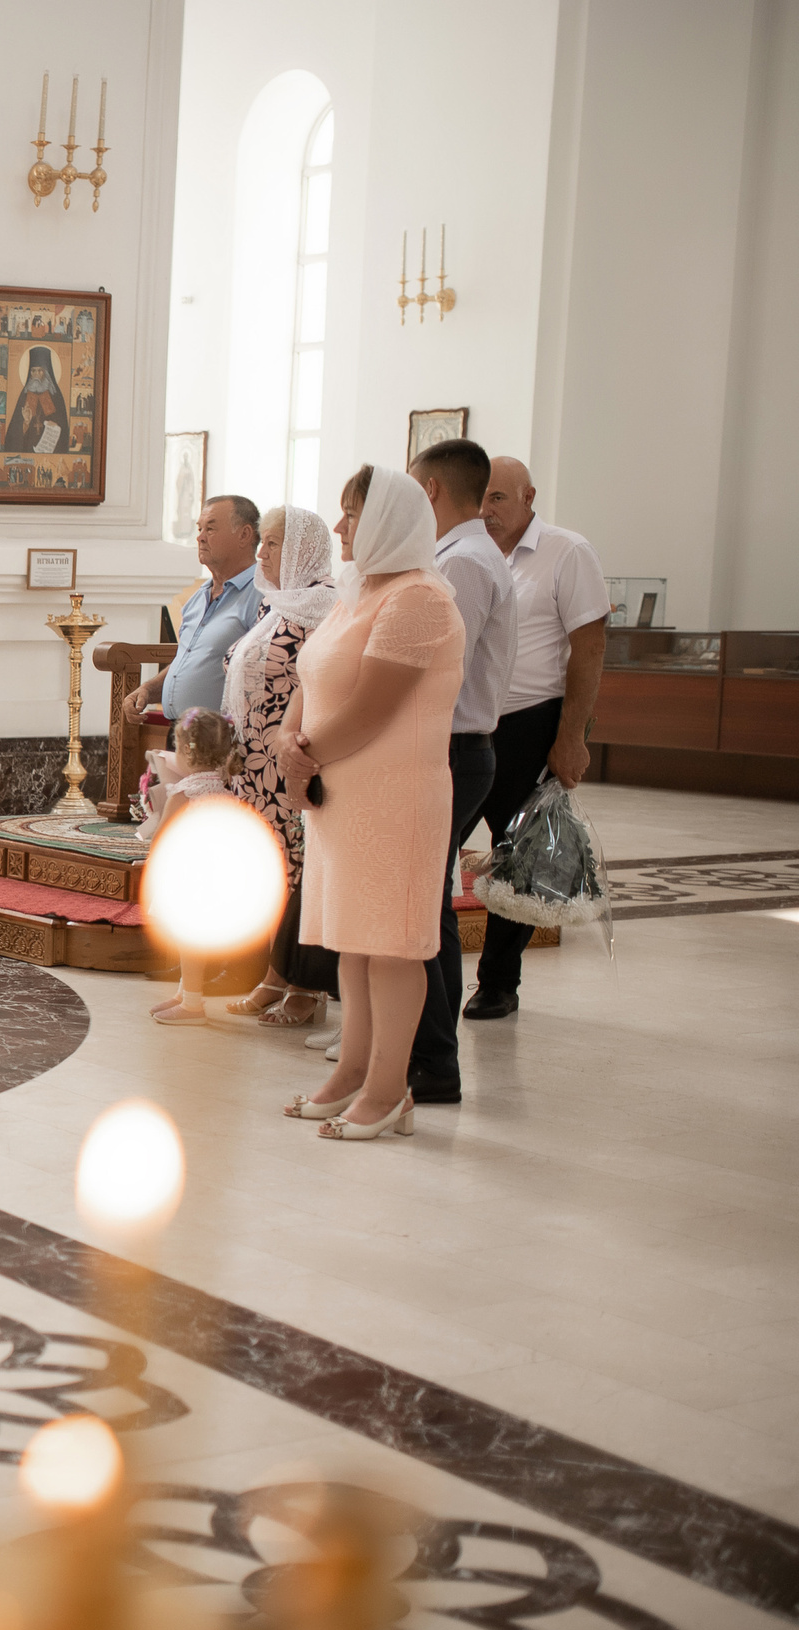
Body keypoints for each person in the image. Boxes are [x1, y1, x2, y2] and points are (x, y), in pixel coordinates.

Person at [276, 465, 467, 1142]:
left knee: (392, 946)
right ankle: (350, 1073)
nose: (339, 527)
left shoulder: (420, 601)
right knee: (353, 942)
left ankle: (390, 1091)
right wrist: (288, 739)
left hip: (394, 799)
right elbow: (311, 679)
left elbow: (371, 709)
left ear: (388, 520)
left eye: (352, 513)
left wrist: (302, 757)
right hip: (342, 794)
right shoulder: (359, 592)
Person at [466, 456, 608, 1021]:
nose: (486, 509)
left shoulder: (566, 552)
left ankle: (499, 983)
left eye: (498, 498)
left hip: (530, 722)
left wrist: (572, 736)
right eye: (481, 497)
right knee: (440, 842)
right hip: (469, 721)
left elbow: (590, 648)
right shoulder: (468, 552)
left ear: (528, 497)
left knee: (519, 854)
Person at [404, 438, 514, 1103]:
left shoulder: (465, 562)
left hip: (452, 746)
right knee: (427, 901)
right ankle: (424, 1053)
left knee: (422, 905)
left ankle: (434, 1060)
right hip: (451, 745)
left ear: (431, 490)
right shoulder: (461, 555)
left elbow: (444, 669)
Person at [220, 505, 341, 1027]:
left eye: (273, 543)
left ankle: (306, 985)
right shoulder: (277, 604)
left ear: (301, 549)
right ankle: (274, 974)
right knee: (272, 873)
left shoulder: (325, 605)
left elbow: (324, 686)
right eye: (263, 542)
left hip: (292, 762)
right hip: (254, 768)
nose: (261, 552)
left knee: (298, 873)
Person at [141, 707, 242, 1025]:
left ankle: (193, 1006)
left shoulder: (184, 793)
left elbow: (162, 837)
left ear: (185, 751)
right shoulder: (226, 793)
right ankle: (185, 993)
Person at [126, 496, 264, 721]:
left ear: (244, 535)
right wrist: (149, 690)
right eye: (200, 529)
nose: (200, 537)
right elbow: (188, 660)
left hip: (221, 735)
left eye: (210, 528)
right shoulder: (198, 597)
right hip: (179, 730)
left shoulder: (261, 595)